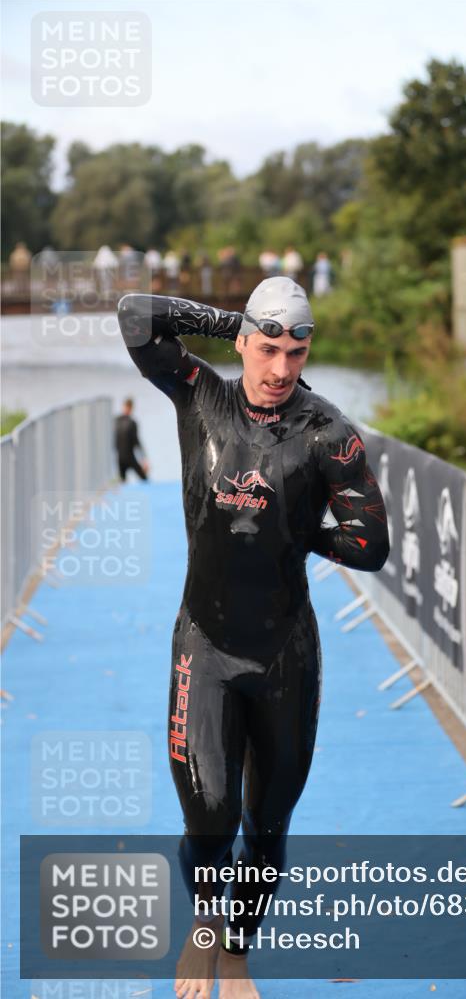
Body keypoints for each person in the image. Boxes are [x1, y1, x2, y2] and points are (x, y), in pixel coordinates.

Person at [117, 277, 389, 999]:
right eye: (266, 348)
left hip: (283, 656)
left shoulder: (328, 434)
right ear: (242, 341)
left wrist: (305, 535)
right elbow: (136, 316)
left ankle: (236, 951)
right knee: (209, 821)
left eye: (294, 353)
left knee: (267, 827)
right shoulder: (200, 394)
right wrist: (221, 315)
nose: (278, 369)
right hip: (204, 645)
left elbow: (370, 545)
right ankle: (206, 925)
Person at [114, 398, 149, 481]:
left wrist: (143, 459)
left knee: (143, 479)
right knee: (144, 479)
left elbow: (136, 441)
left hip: (124, 457)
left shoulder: (117, 421)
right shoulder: (129, 422)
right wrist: (144, 459)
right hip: (125, 458)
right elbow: (137, 442)